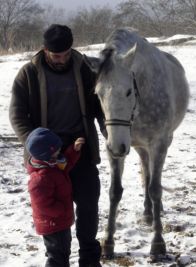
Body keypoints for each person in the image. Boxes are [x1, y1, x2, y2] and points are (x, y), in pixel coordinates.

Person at [9, 24, 105, 267]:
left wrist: (108, 130)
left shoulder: (84, 69)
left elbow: (100, 106)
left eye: (65, 54)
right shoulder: (28, 73)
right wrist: (35, 144)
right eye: (55, 55)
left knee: (88, 203)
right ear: (45, 50)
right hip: (46, 157)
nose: (61, 59)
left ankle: (90, 259)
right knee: (52, 215)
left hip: (80, 150)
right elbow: (17, 115)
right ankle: (57, 260)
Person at [26, 127, 85, 267]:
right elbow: (42, 204)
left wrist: (74, 150)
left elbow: (67, 163)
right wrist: (62, 210)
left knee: (62, 253)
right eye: (57, 149)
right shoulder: (40, 178)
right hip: (52, 224)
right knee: (57, 258)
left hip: (60, 222)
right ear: (47, 153)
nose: (60, 151)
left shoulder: (52, 164)